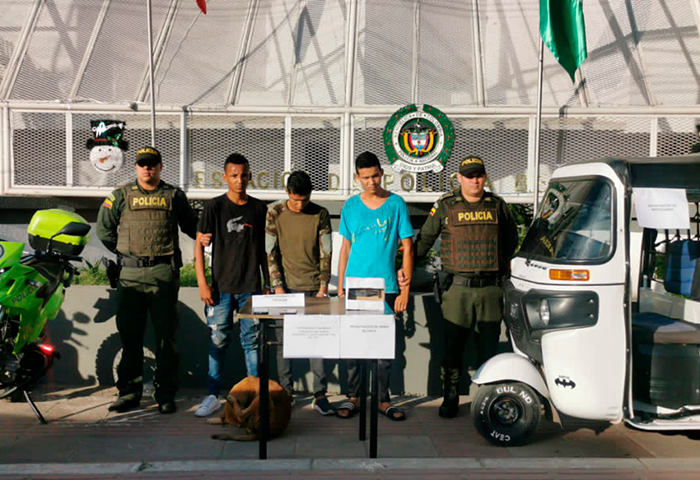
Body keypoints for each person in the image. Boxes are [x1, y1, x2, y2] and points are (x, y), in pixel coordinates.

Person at [411, 156, 518, 418]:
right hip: (457, 290)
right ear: (459, 178)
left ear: (485, 176)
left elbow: (511, 241)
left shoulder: (497, 205)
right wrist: (404, 269)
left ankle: (486, 398)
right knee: (452, 347)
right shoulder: (446, 206)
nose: (475, 180)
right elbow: (425, 239)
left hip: (490, 289)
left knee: (489, 348)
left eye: (479, 175)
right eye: (469, 175)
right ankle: (451, 396)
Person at [97, 146, 198, 414]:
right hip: (130, 275)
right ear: (136, 167)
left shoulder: (174, 195)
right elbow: (104, 229)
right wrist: (125, 255)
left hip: (163, 274)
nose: (147, 168)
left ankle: (165, 394)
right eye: (142, 164)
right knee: (130, 338)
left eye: (152, 164)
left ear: (161, 166)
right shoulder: (120, 195)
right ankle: (129, 392)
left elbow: (193, 227)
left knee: (166, 338)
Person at [336, 151, 413, 421]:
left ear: (382, 173)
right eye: (366, 177)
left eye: (376, 175)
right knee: (354, 346)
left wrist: (405, 291)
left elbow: (407, 247)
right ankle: (352, 397)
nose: (372, 181)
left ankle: (383, 400)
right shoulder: (350, 206)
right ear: (357, 178)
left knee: (383, 349)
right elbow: (345, 248)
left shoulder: (396, 204)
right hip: (355, 286)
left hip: (387, 287)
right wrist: (341, 286)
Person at [193, 153, 270, 418]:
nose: (239, 180)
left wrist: (268, 283)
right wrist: (202, 284)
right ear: (225, 177)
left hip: (251, 288)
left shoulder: (260, 209)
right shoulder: (213, 207)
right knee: (218, 340)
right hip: (220, 288)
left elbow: (264, 251)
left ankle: (254, 396)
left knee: (252, 342)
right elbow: (199, 247)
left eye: (244, 175)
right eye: (234, 175)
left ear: (250, 176)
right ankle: (213, 394)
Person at [265, 170, 335, 415]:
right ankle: (286, 392)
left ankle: (320, 394)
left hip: (314, 288)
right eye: (295, 200)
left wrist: (323, 287)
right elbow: (270, 252)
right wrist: (277, 285)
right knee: (284, 345)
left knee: (317, 344)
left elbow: (326, 252)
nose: (300, 204)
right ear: (287, 193)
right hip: (286, 287)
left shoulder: (320, 214)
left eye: (304, 200)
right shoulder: (275, 212)